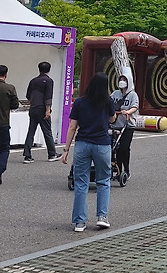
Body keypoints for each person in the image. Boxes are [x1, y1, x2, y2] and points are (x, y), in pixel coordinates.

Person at [62, 72, 117, 232]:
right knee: (103, 181)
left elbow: (72, 126)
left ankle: (80, 222)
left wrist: (66, 150)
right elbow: (112, 119)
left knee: (80, 182)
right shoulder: (108, 101)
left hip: (82, 143)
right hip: (102, 144)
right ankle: (102, 217)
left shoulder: (80, 102)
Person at [23, 61, 61, 163]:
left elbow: (28, 96)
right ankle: (52, 154)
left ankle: (27, 155)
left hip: (33, 108)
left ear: (39, 69)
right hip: (42, 108)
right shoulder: (48, 81)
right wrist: (48, 110)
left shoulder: (33, 81)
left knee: (31, 131)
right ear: (49, 70)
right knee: (47, 132)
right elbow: (48, 96)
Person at [109, 74, 139, 186]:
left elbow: (134, 107)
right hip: (115, 125)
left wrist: (128, 112)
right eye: (120, 79)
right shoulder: (115, 94)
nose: (122, 81)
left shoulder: (133, 95)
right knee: (113, 148)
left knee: (124, 148)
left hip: (127, 126)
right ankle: (117, 169)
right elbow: (108, 103)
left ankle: (126, 169)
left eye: (124, 80)